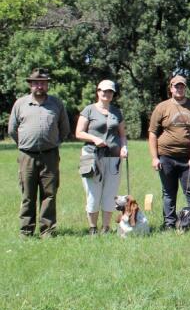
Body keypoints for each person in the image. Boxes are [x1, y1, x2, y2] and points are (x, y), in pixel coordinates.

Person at [8, 68, 70, 237]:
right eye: (36, 83)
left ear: (47, 85)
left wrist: (53, 143)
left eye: (43, 83)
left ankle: (47, 230)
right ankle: (26, 230)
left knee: (49, 194)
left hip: (50, 155)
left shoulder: (56, 104)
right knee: (28, 194)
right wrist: (25, 144)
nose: (39, 86)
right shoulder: (20, 104)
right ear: (30, 85)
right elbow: (12, 130)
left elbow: (64, 129)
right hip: (27, 156)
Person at [148, 74, 190, 230]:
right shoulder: (162, 107)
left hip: (189, 158)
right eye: (176, 86)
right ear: (171, 88)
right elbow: (153, 133)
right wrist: (155, 157)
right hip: (166, 156)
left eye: (182, 86)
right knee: (169, 192)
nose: (179, 88)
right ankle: (169, 224)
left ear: (185, 88)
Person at [75, 79, 129, 235]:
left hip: (113, 158)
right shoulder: (89, 110)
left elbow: (122, 135)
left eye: (110, 91)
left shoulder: (116, 112)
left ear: (113, 94)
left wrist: (124, 147)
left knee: (110, 193)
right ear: (98, 92)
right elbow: (79, 133)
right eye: (104, 91)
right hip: (91, 156)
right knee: (93, 193)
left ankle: (106, 227)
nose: (107, 94)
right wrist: (94, 139)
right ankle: (93, 227)